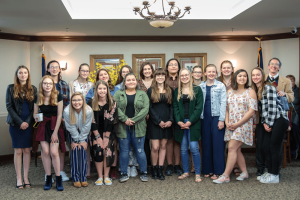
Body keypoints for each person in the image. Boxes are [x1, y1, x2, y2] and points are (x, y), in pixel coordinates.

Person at [213, 69, 257, 184]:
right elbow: (226, 109)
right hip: (231, 124)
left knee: (232, 147)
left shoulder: (250, 91)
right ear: (235, 78)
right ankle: (244, 172)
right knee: (236, 150)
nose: (242, 78)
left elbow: (251, 111)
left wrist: (237, 124)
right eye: (240, 76)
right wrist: (227, 122)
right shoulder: (230, 91)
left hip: (243, 124)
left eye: (244, 76)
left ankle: (226, 175)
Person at [255, 58, 294, 176]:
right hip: (264, 116)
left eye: (276, 65)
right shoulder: (262, 78)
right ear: (268, 66)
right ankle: (263, 168)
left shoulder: (285, 81)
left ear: (279, 67)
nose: (274, 66)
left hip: (279, 116)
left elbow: (292, 97)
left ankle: (275, 170)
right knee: (263, 144)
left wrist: (285, 95)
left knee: (276, 144)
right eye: (272, 64)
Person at [251, 67, 289, 183]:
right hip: (272, 120)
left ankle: (275, 175)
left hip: (280, 120)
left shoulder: (268, 87)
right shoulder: (257, 89)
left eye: (258, 75)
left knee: (274, 147)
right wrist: (264, 123)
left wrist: (268, 123)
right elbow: (263, 110)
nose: (255, 77)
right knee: (266, 147)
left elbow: (272, 109)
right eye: (253, 75)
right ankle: (271, 171)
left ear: (262, 76)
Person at [114, 73, 149, 182]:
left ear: (136, 81)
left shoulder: (142, 94)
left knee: (140, 150)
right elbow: (115, 108)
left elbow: (145, 109)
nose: (131, 82)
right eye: (128, 80)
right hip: (122, 126)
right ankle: (124, 173)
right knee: (124, 151)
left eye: (133, 80)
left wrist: (133, 120)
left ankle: (143, 172)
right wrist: (125, 119)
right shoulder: (118, 94)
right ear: (124, 83)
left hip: (138, 126)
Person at [6, 66, 37, 189]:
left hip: (28, 124)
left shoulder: (33, 89)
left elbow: (34, 108)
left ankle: (26, 177)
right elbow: (9, 107)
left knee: (27, 150)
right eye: (20, 73)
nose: (23, 75)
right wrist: (20, 122)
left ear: (28, 75)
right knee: (18, 151)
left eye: (25, 73)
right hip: (15, 124)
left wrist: (27, 122)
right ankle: (18, 177)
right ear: (17, 75)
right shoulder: (10, 88)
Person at [33, 75, 65, 191]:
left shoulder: (58, 95)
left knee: (54, 152)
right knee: (45, 152)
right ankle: (48, 177)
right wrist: (36, 118)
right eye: (45, 83)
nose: (47, 85)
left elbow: (60, 114)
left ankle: (58, 178)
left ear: (53, 85)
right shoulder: (38, 96)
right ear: (42, 85)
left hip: (54, 126)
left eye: (50, 84)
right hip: (42, 126)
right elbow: (35, 113)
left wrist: (55, 133)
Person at [173, 68, 203, 183]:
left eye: (186, 75)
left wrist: (190, 122)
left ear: (190, 76)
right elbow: (175, 108)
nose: (184, 77)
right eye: (182, 75)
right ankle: (186, 172)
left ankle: (197, 173)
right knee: (184, 148)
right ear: (179, 77)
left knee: (194, 148)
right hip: (181, 123)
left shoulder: (197, 89)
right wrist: (179, 121)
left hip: (193, 123)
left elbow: (199, 108)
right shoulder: (177, 91)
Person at [88, 81, 118, 186]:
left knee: (108, 150)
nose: (102, 91)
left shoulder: (112, 102)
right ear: (96, 90)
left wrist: (106, 137)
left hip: (108, 131)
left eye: (104, 89)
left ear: (107, 90)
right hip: (95, 131)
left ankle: (106, 176)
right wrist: (97, 136)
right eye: (100, 89)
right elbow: (91, 121)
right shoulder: (91, 103)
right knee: (98, 150)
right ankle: (100, 176)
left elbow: (111, 120)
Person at [200, 64, 226, 179]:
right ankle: (207, 169)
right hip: (204, 118)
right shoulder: (200, 86)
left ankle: (218, 171)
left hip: (216, 117)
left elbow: (224, 103)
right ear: (205, 73)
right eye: (209, 71)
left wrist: (221, 120)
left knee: (218, 144)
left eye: (213, 72)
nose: (211, 73)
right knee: (206, 144)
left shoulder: (221, 86)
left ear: (216, 73)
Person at [46, 60, 70, 182]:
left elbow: (68, 103)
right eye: (52, 67)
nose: (54, 69)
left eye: (57, 67)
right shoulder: (43, 83)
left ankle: (60, 171)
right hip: (47, 120)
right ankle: (49, 173)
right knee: (48, 148)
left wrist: (65, 117)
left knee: (60, 146)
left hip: (61, 119)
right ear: (48, 69)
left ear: (60, 69)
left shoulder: (64, 85)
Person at [147, 68, 173, 180]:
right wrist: (158, 121)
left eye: (162, 75)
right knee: (155, 147)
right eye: (158, 75)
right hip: (154, 123)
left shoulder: (170, 90)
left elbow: (172, 107)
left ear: (165, 77)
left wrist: (170, 120)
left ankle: (160, 168)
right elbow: (149, 108)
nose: (160, 77)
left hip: (167, 122)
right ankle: (154, 167)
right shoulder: (150, 90)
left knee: (163, 146)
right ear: (155, 77)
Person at [69, 63, 94, 178]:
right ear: (79, 71)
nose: (85, 73)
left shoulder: (91, 84)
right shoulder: (72, 83)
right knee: (74, 142)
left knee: (86, 143)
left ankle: (87, 170)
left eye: (87, 71)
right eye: (83, 70)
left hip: (87, 116)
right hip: (74, 116)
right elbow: (70, 100)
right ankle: (75, 170)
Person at [63, 92, 93, 187]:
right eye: (74, 100)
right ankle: (76, 178)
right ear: (71, 101)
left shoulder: (88, 110)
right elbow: (71, 127)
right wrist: (76, 141)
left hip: (84, 132)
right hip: (72, 132)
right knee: (75, 149)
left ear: (83, 101)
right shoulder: (67, 111)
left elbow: (86, 127)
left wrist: (82, 141)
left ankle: (83, 177)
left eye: (79, 100)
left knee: (83, 150)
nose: (77, 102)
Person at [216, 60, 240, 176]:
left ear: (232, 69)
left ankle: (234, 166)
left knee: (233, 143)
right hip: (220, 115)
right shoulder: (216, 81)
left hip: (234, 116)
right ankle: (224, 165)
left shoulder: (237, 81)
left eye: (228, 68)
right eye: (224, 68)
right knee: (221, 142)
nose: (226, 70)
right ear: (221, 70)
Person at [165, 58, 183, 176]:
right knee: (168, 140)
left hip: (180, 112)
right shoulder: (163, 79)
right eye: (170, 65)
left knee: (178, 140)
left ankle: (177, 165)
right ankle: (169, 165)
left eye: (175, 64)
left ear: (178, 67)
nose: (173, 66)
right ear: (167, 67)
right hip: (166, 112)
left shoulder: (182, 79)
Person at [138, 62, 154, 173]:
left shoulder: (157, 82)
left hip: (155, 115)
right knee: (143, 141)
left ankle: (154, 164)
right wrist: (144, 114)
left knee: (154, 141)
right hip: (141, 116)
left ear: (152, 70)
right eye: (145, 69)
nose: (147, 71)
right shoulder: (138, 83)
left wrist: (151, 114)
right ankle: (145, 164)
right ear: (142, 71)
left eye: (149, 69)